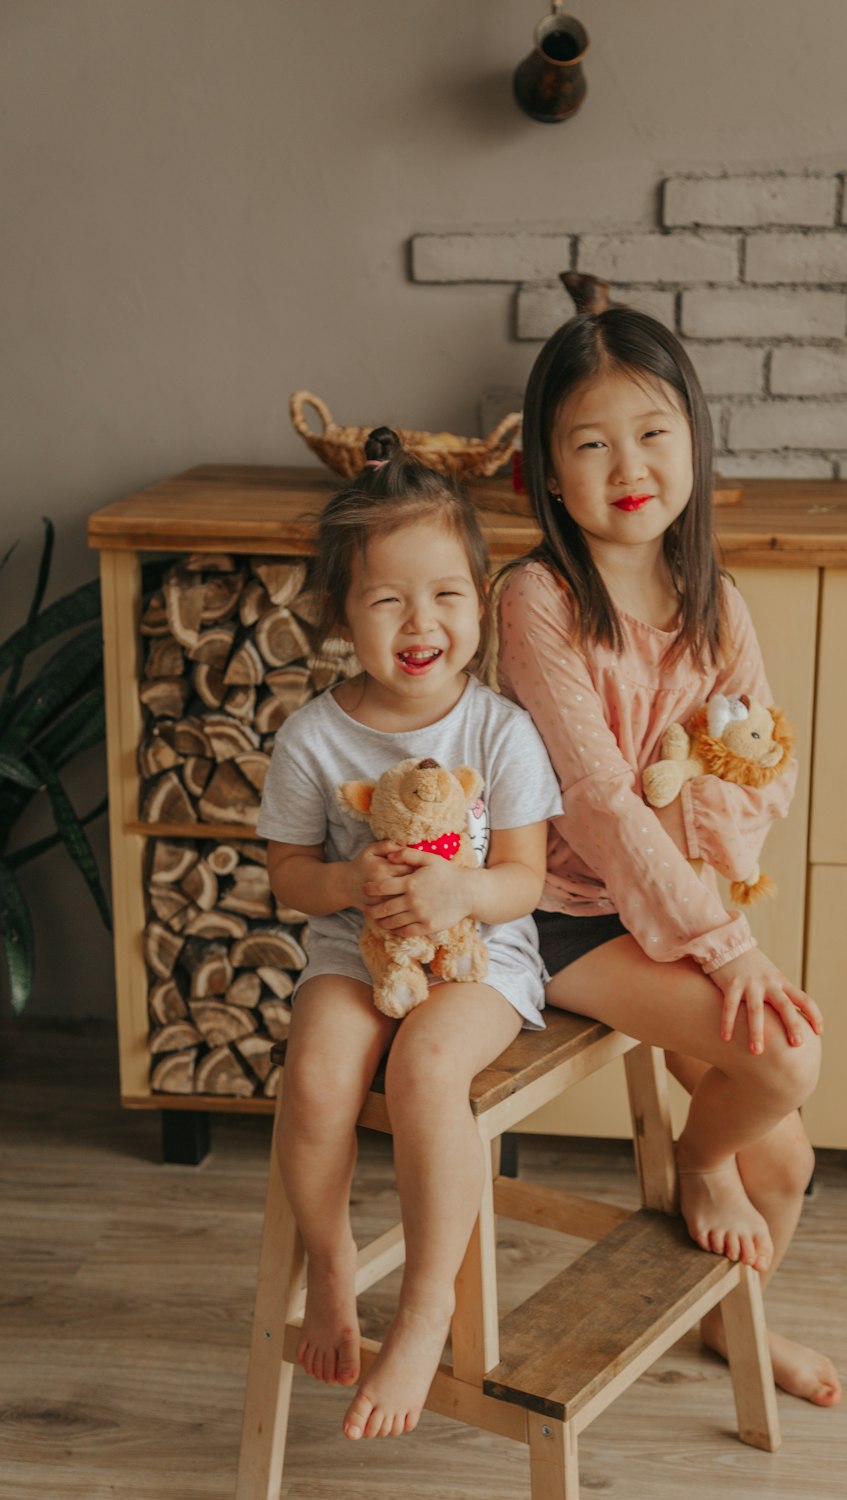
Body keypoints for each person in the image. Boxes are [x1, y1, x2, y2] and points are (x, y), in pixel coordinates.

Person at [496, 308, 841, 1407]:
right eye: (590, 445)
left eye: (651, 434)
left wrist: (717, 926)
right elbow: (597, 802)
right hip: (560, 910)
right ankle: (697, 1165)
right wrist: (721, 947)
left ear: (692, 437)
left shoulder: (714, 604)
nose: (627, 468)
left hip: (684, 906)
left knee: (785, 1160)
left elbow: (757, 776)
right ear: (547, 472)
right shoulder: (536, 598)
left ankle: (734, 1329)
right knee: (784, 1065)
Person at [257, 428, 562, 1441]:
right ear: (342, 614)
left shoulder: (498, 731)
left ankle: (427, 1305)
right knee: (317, 1076)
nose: (419, 621)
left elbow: (523, 881)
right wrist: (346, 879)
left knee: (427, 1070)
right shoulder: (315, 735)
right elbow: (289, 876)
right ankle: (335, 1261)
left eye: (444, 595)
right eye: (387, 600)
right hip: (357, 950)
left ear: (480, 597)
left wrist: (458, 893)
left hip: (483, 958)